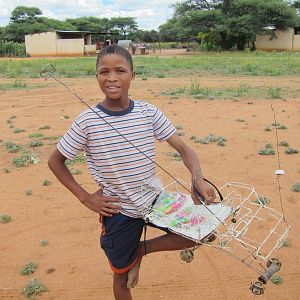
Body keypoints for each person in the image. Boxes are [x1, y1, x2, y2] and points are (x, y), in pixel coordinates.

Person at [48, 44, 216, 300]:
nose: (112, 78)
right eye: (104, 72)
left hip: (154, 199)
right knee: (122, 278)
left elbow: (183, 148)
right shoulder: (87, 121)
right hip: (119, 210)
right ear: (97, 77)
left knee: (205, 231)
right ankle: (130, 257)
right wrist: (86, 197)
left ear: (132, 74)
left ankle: (141, 250)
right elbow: (55, 161)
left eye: (120, 71)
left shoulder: (148, 112)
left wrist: (198, 179)